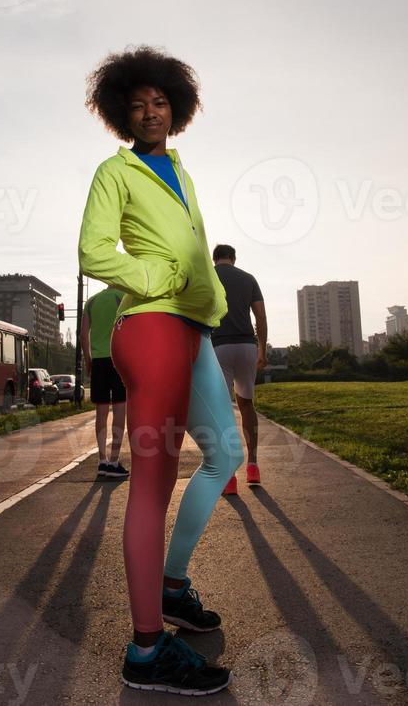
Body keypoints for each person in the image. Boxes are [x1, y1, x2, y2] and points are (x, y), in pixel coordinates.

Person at [78, 45, 243, 696]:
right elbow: (94, 249)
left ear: (177, 110)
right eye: (138, 103)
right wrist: (154, 278)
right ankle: (146, 650)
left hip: (192, 329)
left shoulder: (180, 171)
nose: (150, 111)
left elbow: (195, 255)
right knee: (152, 481)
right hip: (150, 325)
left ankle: (172, 585)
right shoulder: (113, 173)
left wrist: (209, 304)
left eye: (161, 102)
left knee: (223, 453)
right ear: (122, 113)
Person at [211, 244, 267, 494]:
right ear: (234, 258)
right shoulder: (248, 278)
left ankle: (229, 477)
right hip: (246, 346)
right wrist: (262, 349)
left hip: (218, 348)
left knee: (222, 411)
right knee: (246, 404)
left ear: (215, 259)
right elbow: (261, 317)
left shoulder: (208, 276)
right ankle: (253, 465)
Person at [80, 284, 129, 479]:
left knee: (101, 412)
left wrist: (88, 360)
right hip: (118, 359)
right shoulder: (122, 297)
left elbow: (84, 335)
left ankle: (102, 460)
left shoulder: (91, 301)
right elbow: (128, 329)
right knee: (119, 409)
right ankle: (114, 462)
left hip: (98, 362)